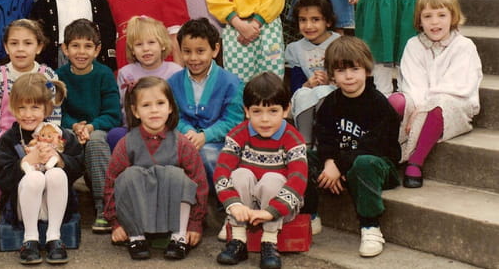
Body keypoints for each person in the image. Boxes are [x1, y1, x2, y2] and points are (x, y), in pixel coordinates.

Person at [313, 36, 401, 258]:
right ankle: (309, 213)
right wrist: (329, 162)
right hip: (341, 165)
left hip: (378, 167)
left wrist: (339, 165)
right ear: (332, 75)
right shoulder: (329, 104)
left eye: (355, 69)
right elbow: (325, 138)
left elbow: (376, 146)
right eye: (341, 71)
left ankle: (370, 227)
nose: (349, 76)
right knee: (303, 156)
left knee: (363, 163)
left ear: (367, 70)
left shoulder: (379, 105)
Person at [104, 77, 208, 261]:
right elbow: (111, 183)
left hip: (172, 214)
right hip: (139, 215)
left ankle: (179, 237)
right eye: (146, 105)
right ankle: (136, 238)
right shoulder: (126, 143)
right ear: (135, 111)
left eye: (160, 103)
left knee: (177, 175)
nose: (154, 110)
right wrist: (115, 223)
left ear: (170, 107)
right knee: (129, 175)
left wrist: (195, 224)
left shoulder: (182, 143)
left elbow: (199, 183)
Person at [389, 0, 482, 188]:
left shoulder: (464, 46)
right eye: (427, 16)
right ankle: (387, 153)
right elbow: (414, 82)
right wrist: (419, 107)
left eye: (441, 15)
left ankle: (416, 161)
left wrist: (424, 108)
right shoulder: (413, 45)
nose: (434, 22)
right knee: (396, 101)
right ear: (419, 20)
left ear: (453, 17)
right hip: (419, 99)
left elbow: (457, 85)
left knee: (439, 104)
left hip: (454, 103)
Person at [213, 72, 308, 268]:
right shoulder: (238, 134)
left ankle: (269, 242)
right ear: (247, 111)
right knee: (240, 174)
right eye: (257, 111)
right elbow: (221, 171)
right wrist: (233, 204)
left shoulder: (293, 138)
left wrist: (271, 211)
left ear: (285, 110)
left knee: (272, 179)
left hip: (281, 206)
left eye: (273, 111)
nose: (265, 119)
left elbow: (298, 179)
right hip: (246, 206)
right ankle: (238, 239)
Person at [0, 74, 84, 265]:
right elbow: (0, 177)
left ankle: (54, 237)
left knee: (56, 173)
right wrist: (26, 161)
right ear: (13, 108)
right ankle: (30, 239)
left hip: (57, 208)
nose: (28, 114)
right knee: (34, 178)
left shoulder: (60, 134)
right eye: (21, 108)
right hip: (21, 208)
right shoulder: (9, 139)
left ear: (47, 108)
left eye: (35, 107)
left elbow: (79, 166)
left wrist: (59, 159)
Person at [0, 19, 62, 207]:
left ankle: (42, 203)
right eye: (14, 43)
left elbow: (54, 112)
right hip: (5, 136)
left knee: (47, 159)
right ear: (6, 47)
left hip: (40, 134)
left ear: (39, 47)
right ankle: (9, 204)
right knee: (4, 160)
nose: (20, 49)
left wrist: (51, 136)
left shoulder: (48, 75)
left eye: (28, 43)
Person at [56, 19, 120, 233]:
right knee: (58, 139)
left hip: (96, 130)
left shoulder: (104, 75)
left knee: (96, 141)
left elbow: (113, 114)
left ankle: (104, 207)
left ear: (97, 50)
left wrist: (90, 127)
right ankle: (59, 207)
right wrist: (74, 126)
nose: (81, 52)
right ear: (65, 49)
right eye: (75, 46)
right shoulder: (59, 76)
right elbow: (56, 112)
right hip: (70, 130)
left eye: (88, 46)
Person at [167, 18, 244, 192]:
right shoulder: (173, 82)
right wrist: (188, 132)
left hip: (218, 144)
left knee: (207, 155)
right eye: (187, 51)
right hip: (184, 140)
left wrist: (205, 136)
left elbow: (233, 121)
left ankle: (220, 200)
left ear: (215, 49)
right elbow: (173, 116)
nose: (193, 58)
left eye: (200, 51)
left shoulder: (232, 83)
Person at [108, 16, 182, 151]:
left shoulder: (175, 71)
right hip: (134, 129)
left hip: (167, 129)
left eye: (151, 42)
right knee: (115, 135)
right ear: (132, 49)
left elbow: (181, 108)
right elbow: (122, 108)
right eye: (139, 44)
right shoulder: (125, 73)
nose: (146, 49)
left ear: (162, 44)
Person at [285, 0, 340, 122]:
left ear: (328, 21)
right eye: (303, 20)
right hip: (307, 100)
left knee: (323, 92)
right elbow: (296, 85)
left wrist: (330, 81)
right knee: (303, 95)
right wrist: (308, 84)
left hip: (337, 98)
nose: (308, 26)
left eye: (315, 19)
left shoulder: (340, 44)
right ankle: (305, 135)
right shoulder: (295, 49)